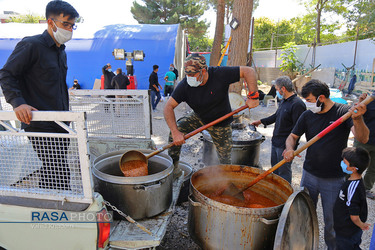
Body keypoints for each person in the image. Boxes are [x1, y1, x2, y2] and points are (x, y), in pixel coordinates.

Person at [0, 0, 79, 190]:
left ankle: (50, 203)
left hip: (61, 121)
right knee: (58, 170)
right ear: (50, 22)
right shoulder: (31, 45)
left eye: (72, 25)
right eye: (65, 24)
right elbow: (7, 74)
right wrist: (18, 103)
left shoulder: (61, 51)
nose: (70, 29)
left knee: (54, 168)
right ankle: (59, 207)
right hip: (40, 121)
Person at [283, 79, 369, 250]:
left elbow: (363, 138)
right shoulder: (308, 115)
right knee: (304, 216)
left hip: (334, 180)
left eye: (309, 100)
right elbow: (292, 137)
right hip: (309, 176)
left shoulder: (343, 111)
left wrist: (358, 119)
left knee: (332, 223)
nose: (307, 104)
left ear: (320, 98)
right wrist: (289, 149)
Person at [164, 53, 259, 176]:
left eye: (193, 74)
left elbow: (249, 71)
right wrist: (176, 133)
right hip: (199, 117)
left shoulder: (219, 74)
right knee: (175, 131)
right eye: (187, 74)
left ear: (203, 71)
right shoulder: (185, 85)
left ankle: (225, 181)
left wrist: (253, 96)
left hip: (221, 122)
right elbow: (168, 107)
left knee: (225, 157)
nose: (189, 78)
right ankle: (174, 170)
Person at [251, 76, 306, 183]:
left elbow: (298, 129)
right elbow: (276, 116)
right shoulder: (284, 101)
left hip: (285, 146)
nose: (276, 92)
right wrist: (261, 121)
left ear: (283, 89)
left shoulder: (297, 104)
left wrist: (290, 148)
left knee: (284, 172)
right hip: (276, 142)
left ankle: (285, 195)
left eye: (276, 89)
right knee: (275, 170)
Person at [334, 147, 370, 250]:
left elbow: (354, 216)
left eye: (345, 163)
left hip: (347, 231)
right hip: (346, 230)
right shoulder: (353, 180)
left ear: (353, 169)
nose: (342, 163)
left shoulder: (353, 188)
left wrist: (361, 225)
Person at [354, 93, 375, 200]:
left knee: (373, 168)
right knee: (354, 164)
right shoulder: (368, 101)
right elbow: (356, 114)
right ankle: (347, 185)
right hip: (363, 141)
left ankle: (366, 188)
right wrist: (360, 102)